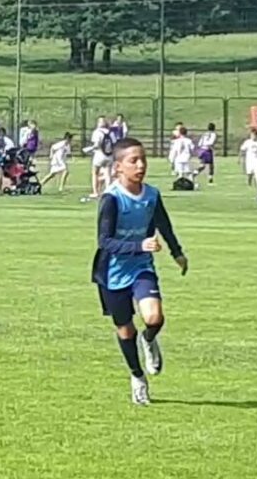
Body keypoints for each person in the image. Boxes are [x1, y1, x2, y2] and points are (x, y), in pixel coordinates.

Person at [91, 137, 188, 405]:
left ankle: (149, 339)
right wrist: (139, 245)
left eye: (143, 159)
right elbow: (104, 241)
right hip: (112, 273)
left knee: (154, 317)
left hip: (141, 267)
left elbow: (163, 224)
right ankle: (137, 377)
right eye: (133, 161)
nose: (141, 165)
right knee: (125, 330)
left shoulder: (151, 195)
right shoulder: (111, 199)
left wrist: (177, 252)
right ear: (118, 167)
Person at [84, 116, 115, 198]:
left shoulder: (97, 132)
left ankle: (96, 192)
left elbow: (96, 145)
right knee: (108, 174)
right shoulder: (111, 132)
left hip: (99, 154)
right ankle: (108, 191)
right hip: (109, 155)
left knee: (95, 173)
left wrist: (89, 149)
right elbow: (115, 143)